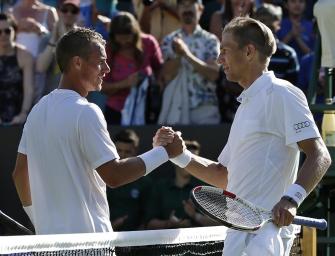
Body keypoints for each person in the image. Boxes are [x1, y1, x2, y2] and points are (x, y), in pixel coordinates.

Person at [154, 17, 331, 256]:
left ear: (249, 52)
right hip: (237, 236)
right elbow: (224, 175)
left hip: (267, 238)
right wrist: (180, 156)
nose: (219, 59)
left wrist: (292, 199)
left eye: (224, 51)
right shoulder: (246, 105)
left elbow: (320, 155)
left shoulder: (282, 93)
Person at [11, 27, 182, 235]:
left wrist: (37, 219)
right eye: (101, 61)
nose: (107, 69)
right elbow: (114, 175)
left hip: (49, 243)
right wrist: (164, 152)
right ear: (77, 62)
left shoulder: (36, 111)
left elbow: (20, 173)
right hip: (90, 244)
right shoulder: (86, 111)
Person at [158, 0, 221, 125]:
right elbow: (165, 76)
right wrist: (177, 54)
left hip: (205, 108)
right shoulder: (169, 40)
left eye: (191, 4)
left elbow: (214, 74)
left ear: (200, 9)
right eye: (182, 5)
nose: (186, 8)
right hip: (176, 108)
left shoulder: (210, 40)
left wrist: (186, 54)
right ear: (178, 10)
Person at [102, 12, 163, 125]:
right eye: (120, 38)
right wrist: (126, 83)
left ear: (135, 34)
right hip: (116, 111)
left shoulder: (149, 43)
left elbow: (159, 68)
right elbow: (102, 87)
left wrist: (155, 84)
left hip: (145, 108)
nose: (124, 42)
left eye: (127, 38)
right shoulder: (108, 51)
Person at [146, 140, 217, 229]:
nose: (192, 164)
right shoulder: (160, 187)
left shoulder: (205, 188)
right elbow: (149, 223)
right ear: (174, 160)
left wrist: (195, 215)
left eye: (196, 160)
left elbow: (219, 222)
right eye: (187, 159)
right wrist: (169, 224)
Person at [107, 129, 153, 231]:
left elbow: (148, 218)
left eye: (127, 152)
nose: (122, 155)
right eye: (119, 150)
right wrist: (110, 227)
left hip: (136, 241)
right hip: (105, 238)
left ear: (135, 151)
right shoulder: (101, 179)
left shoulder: (145, 182)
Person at [36, 0, 80, 95]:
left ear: (78, 14)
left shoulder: (82, 40)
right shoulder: (47, 38)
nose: (69, 14)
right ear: (59, 12)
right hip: (50, 95)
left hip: (73, 96)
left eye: (74, 11)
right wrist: (53, 39)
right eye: (65, 10)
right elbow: (40, 67)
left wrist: (64, 36)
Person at [0, 13, 34, 125]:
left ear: (14, 31)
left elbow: (28, 89)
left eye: (7, 31)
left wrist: (23, 114)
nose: (3, 35)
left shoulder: (25, 56)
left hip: (18, 119)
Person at [254, 3, 299, 84]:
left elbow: (292, 86)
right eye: (261, 22)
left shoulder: (288, 54)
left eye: (269, 25)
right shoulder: (247, 51)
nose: (264, 27)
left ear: (278, 24)